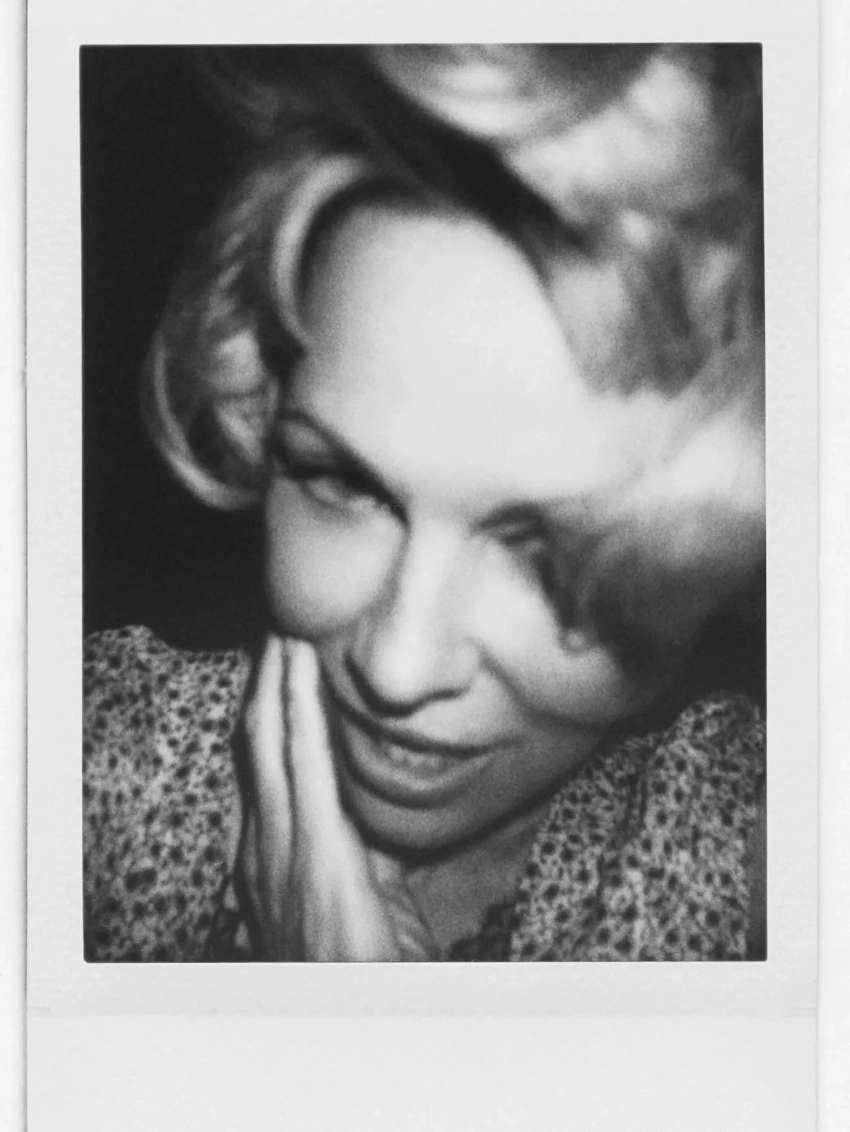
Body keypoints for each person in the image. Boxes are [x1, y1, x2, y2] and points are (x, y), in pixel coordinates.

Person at [83, 44, 766, 963]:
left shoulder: (763, 868)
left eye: (549, 552)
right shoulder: (79, 763)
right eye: (344, 484)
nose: (397, 671)